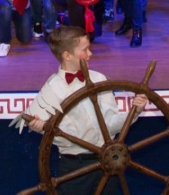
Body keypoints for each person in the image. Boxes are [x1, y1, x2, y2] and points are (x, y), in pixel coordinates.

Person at [14, 25, 148, 195]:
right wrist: (39, 128)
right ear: (67, 55)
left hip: (109, 163)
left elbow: (111, 125)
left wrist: (134, 112)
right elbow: (42, 127)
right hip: (74, 168)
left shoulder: (99, 79)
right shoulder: (52, 89)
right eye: (85, 50)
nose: (90, 54)